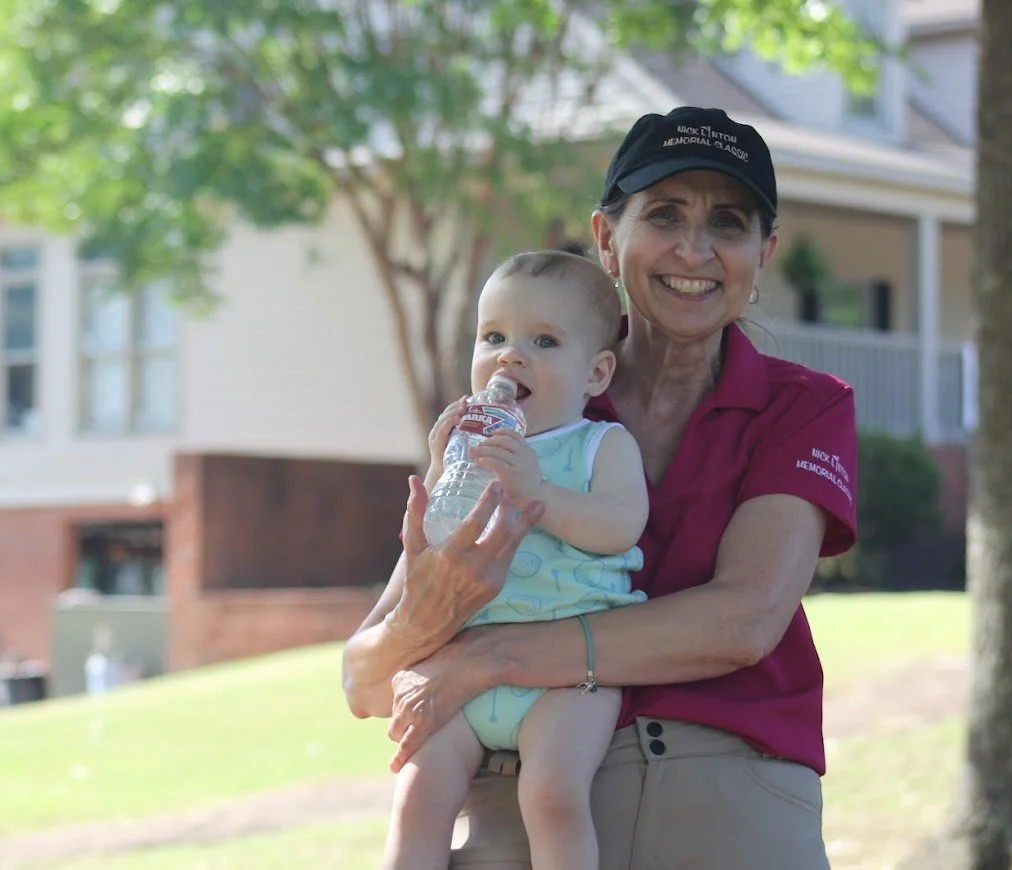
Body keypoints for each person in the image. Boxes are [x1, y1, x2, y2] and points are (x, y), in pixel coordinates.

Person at [344, 106, 858, 869]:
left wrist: (492, 658)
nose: (695, 248)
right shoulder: (522, 412)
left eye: (728, 222)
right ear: (606, 238)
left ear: (764, 253)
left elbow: (741, 623)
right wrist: (429, 613)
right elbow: (365, 678)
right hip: (519, 798)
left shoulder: (803, 407)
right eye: (663, 214)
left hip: (730, 801)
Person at [383, 250, 649, 870]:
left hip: (566, 676)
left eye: (545, 341)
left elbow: (620, 527)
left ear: (596, 374)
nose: (510, 356)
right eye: (494, 337)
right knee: (416, 794)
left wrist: (542, 494)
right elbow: (435, 548)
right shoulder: (470, 446)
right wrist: (441, 468)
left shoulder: (600, 445)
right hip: (464, 672)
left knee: (553, 795)